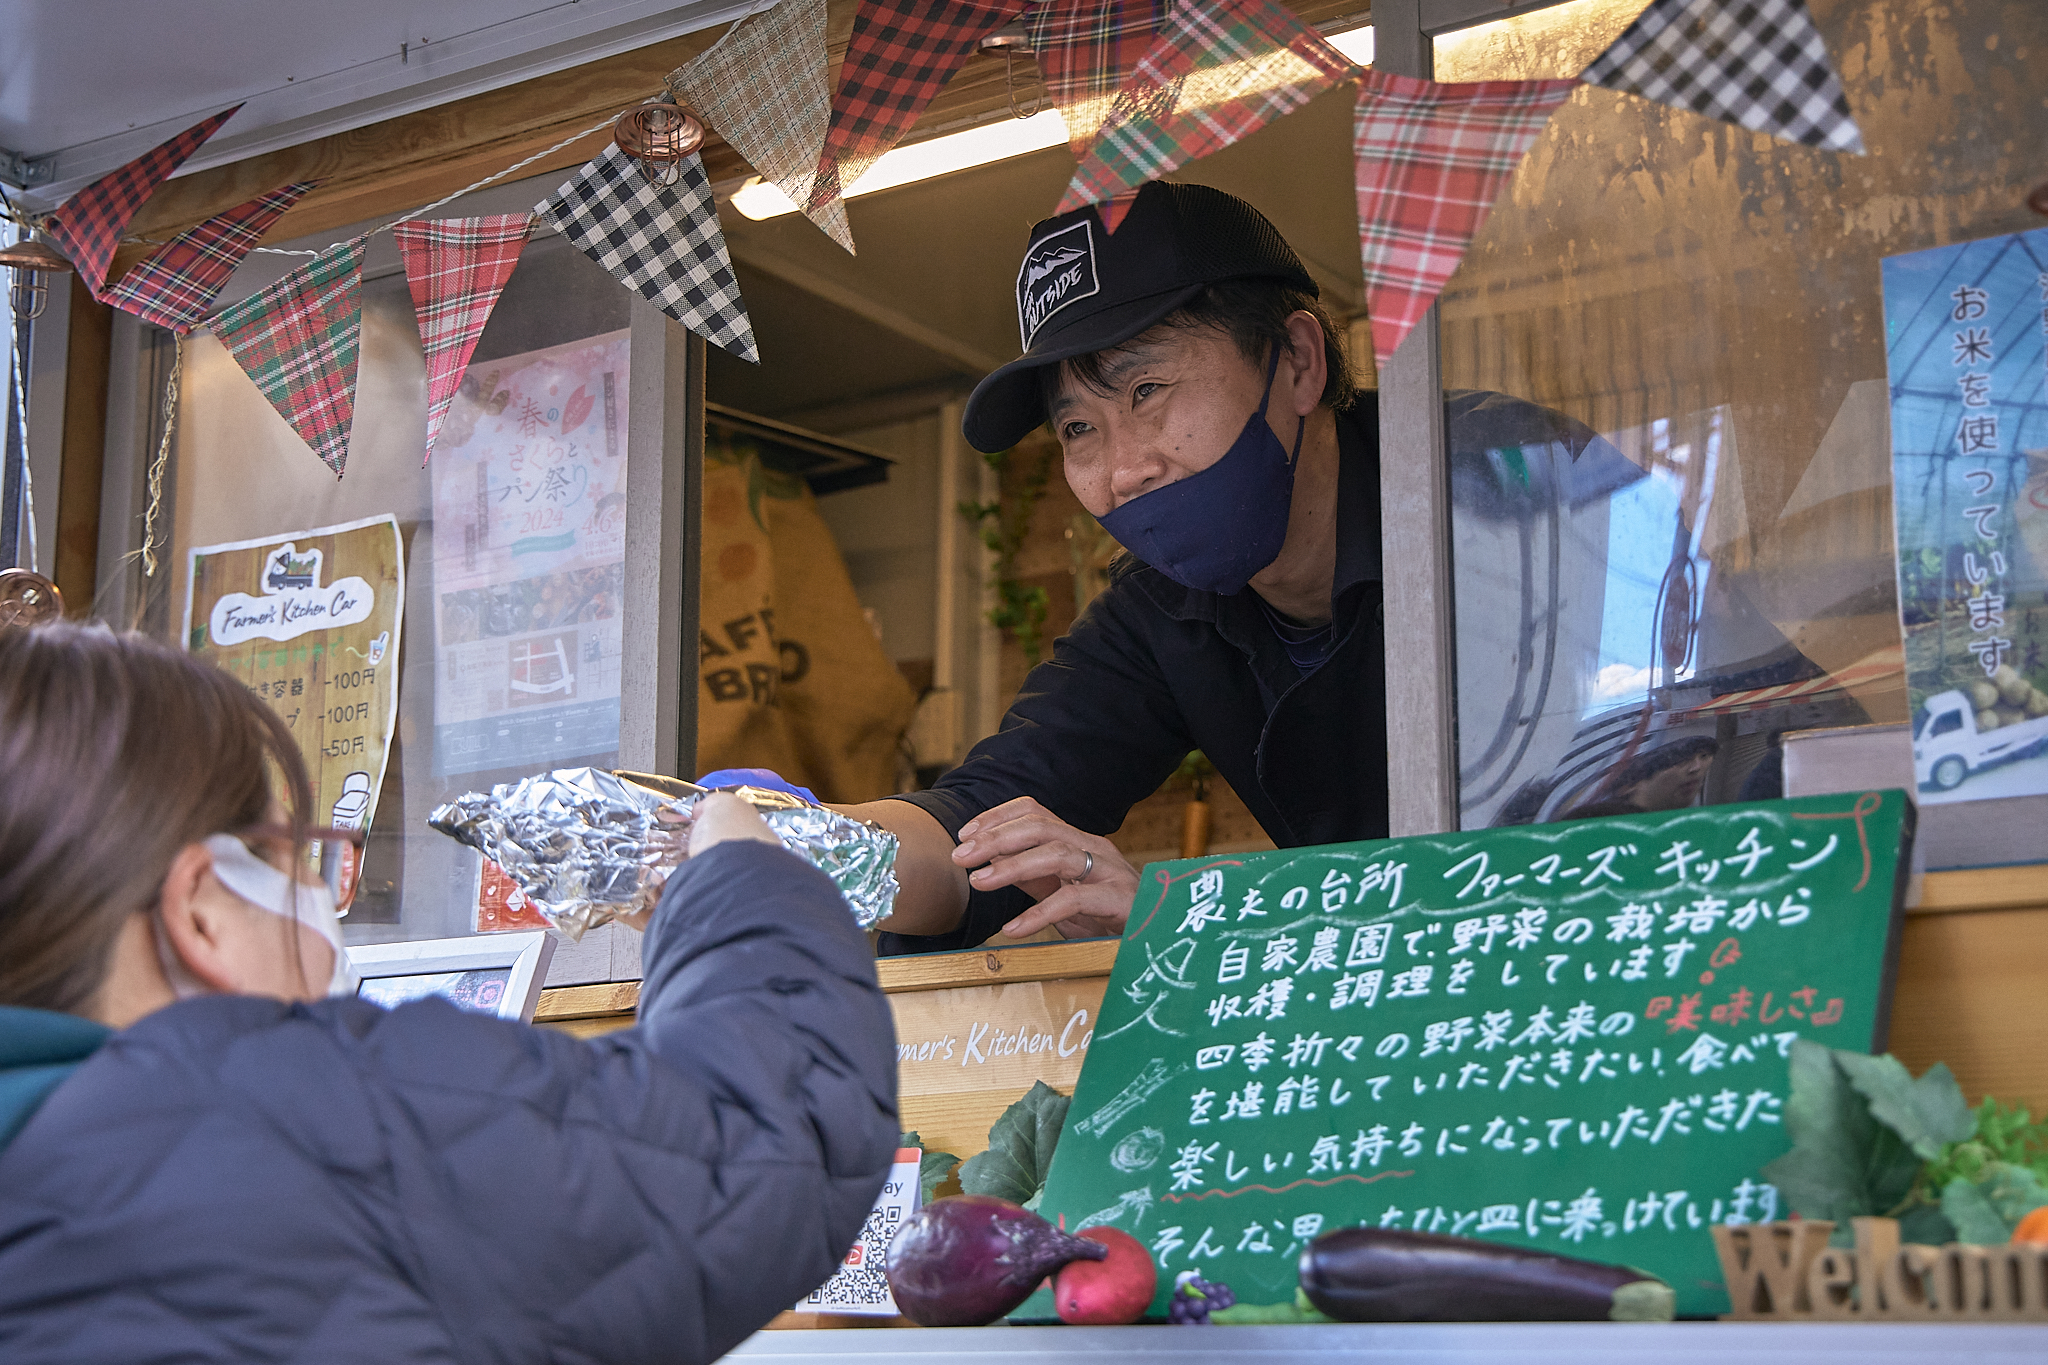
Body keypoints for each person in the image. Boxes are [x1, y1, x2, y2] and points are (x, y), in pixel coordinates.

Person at [0, 623, 898, 1363]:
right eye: (294, 855)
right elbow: (760, 1138)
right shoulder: (288, 1113)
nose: (322, 897)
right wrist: (739, 871)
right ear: (201, 913)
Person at [836, 181, 1391, 952]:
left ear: (1297, 360)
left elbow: (1590, 856)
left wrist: (1198, 923)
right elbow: (977, 826)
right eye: (1078, 427)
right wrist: (786, 848)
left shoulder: (1503, 493)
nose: (1123, 471)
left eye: (1147, 389)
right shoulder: (1160, 612)